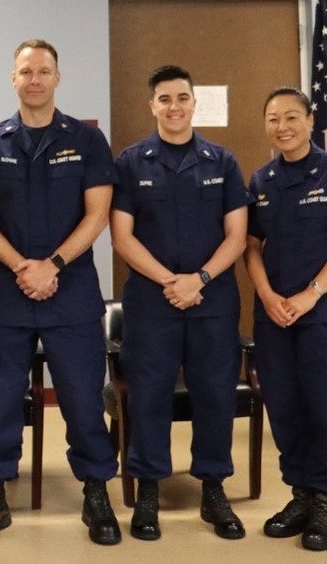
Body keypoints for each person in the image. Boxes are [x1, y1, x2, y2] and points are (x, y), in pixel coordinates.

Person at [0, 39, 120, 546]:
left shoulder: (88, 141)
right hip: (7, 294)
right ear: (13, 79)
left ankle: (95, 491)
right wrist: (22, 268)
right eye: (26, 71)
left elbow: (98, 215)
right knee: (1, 401)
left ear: (58, 78)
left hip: (71, 292)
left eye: (44, 71)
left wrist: (51, 265)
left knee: (81, 398)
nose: (35, 79)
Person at [109, 65, 251, 541]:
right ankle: (148, 490)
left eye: (183, 98)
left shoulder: (222, 162)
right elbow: (122, 238)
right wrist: (173, 280)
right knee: (149, 395)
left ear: (195, 104)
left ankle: (213, 489)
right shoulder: (130, 162)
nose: (174, 107)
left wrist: (201, 279)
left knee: (215, 394)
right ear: (152, 106)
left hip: (213, 300)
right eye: (164, 99)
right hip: (152, 301)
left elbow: (238, 236)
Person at [243, 87, 327, 552]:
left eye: (292, 117)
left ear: (310, 119)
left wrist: (310, 295)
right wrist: (267, 293)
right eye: (273, 118)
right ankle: (301, 495)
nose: (283, 126)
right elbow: (252, 247)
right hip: (276, 316)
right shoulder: (260, 181)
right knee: (286, 407)